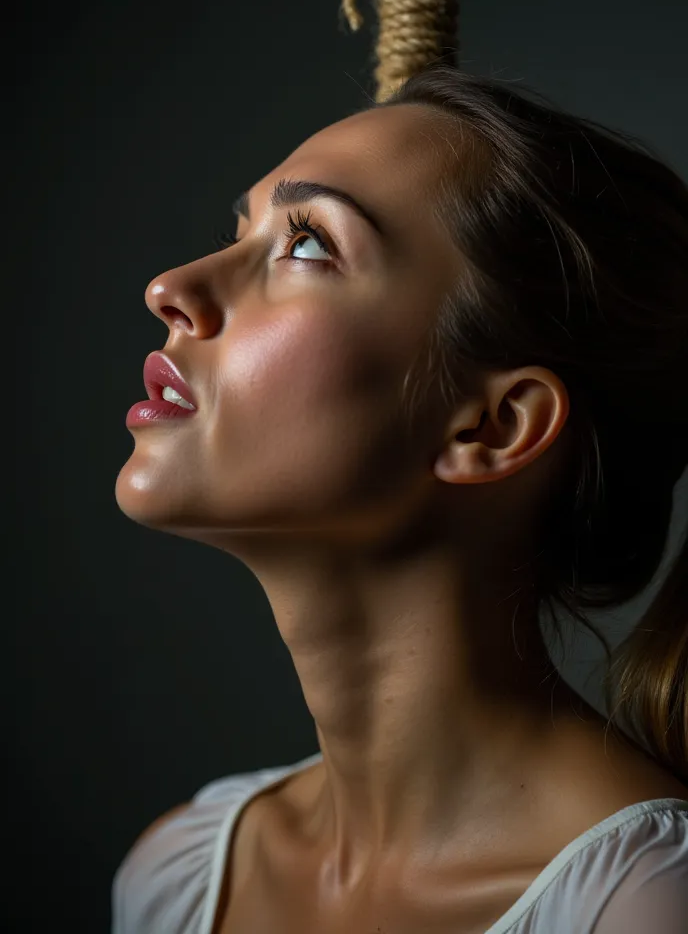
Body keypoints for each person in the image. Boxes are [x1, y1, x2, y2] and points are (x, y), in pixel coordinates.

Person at [112, 65, 688, 933]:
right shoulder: (174, 878)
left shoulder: (639, 907)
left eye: (306, 244)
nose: (172, 288)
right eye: (241, 227)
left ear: (492, 427)